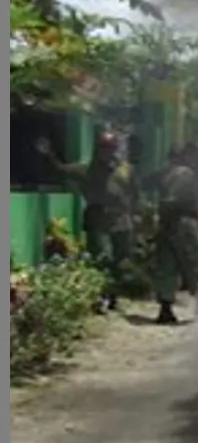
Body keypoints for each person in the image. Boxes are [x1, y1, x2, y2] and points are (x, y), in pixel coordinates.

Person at [36, 130, 138, 312]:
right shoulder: (86, 169)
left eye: (110, 147)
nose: (106, 151)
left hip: (121, 220)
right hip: (98, 219)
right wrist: (48, 154)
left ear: (115, 149)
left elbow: (134, 193)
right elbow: (60, 169)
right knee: (103, 256)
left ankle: (113, 294)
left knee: (121, 262)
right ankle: (103, 295)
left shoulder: (125, 170)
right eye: (103, 147)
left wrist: (136, 215)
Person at [153, 143, 198, 325]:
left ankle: (165, 308)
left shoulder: (165, 173)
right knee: (194, 262)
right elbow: (173, 198)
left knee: (167, 265)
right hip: (183, 222)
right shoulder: (184, 173)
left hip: (168, 222)